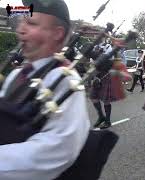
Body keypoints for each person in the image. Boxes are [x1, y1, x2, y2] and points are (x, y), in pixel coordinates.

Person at [0, 0, 90, 179]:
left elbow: (59, 149)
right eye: (21, 22)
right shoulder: (16, 75)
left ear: (57, 33)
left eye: (31, 23)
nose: (20, 29)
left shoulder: (65, 80)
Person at [90, 45, 132, 129]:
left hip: (107, 77)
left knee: (106, 100)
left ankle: (107, 121)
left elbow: (128, 77)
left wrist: (117, 72)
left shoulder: (111, 54)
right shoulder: (95, 51)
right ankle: (101, 116)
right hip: (97, 78)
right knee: (93, 97)